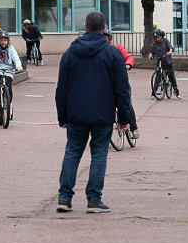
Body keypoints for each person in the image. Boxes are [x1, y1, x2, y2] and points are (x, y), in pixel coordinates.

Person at [55, 12, 131, 213]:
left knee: (72, 152)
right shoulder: (113, 54)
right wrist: (124, 119)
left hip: (76, 113)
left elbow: (61, 88)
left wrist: (62, 116)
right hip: (103, 114)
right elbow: (122, 89)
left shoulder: (70, 53)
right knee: (99, 154)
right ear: (104, 28)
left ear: (85, 26)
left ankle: (64, 198)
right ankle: (94, 199)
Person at [104, 28, 139, 139]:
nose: (103, 39)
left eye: (106, 37)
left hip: (120, 83)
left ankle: (134, 129)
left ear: (109, 38)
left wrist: (128, 65)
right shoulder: (98, 51)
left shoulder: (117, 48)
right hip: (106, 84)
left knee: (126, 104)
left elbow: (129, 58)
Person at [0, 31, 23, 113]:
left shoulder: (11, 49)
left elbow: (16, 58)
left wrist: (18, 66)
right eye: (1, 40)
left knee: (8, 87)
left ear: (7, 41)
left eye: (5, 40)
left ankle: (10, 104)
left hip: (8, 70)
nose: (3, 42)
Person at [148, 28, 181, 99]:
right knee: (157, 78)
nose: (156, 39)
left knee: (172, 77)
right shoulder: (154, 44)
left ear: (161, 36)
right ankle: (154, 93)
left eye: (157, 37)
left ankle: (176, 91)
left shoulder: (165, 41)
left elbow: (171, 47)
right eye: (155, 38)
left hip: (168, 62)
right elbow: (151, 51)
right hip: (160, 62)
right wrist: (150, 55)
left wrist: (169, 52)